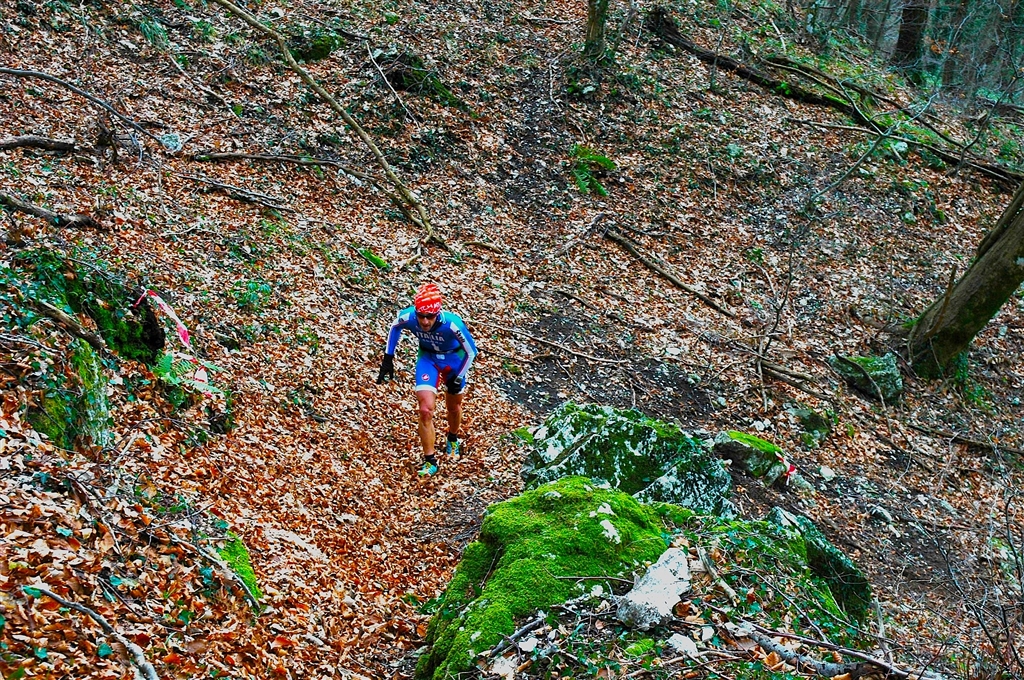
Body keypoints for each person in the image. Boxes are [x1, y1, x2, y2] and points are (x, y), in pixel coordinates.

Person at [376, 283, 478, 476]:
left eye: (429, 317)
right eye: (421, 316)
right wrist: (388, 357)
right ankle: (430, 460)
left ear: (437, 314)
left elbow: (472, 351)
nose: (424, 321)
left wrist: (460, 375)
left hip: (454, 360)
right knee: (425, 410)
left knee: (453, 407)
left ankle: (453, 437)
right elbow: (395, 327)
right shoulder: (410, 316)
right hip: (428, 359)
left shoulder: (452, 323)